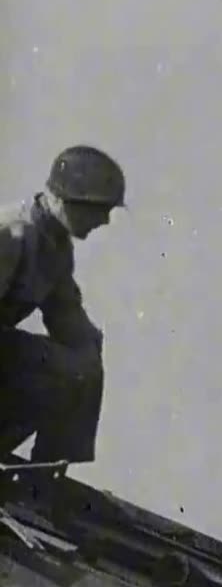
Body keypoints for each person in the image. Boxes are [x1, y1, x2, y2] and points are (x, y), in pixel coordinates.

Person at [0, 146, 125, 467]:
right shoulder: (12, 233)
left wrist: (88, 349)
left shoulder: (55, 247)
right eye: (97, 209)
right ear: (63, 200)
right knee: (64, 368)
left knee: (83, 360)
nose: (104, 220)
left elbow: (67, 318)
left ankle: (48, 471)